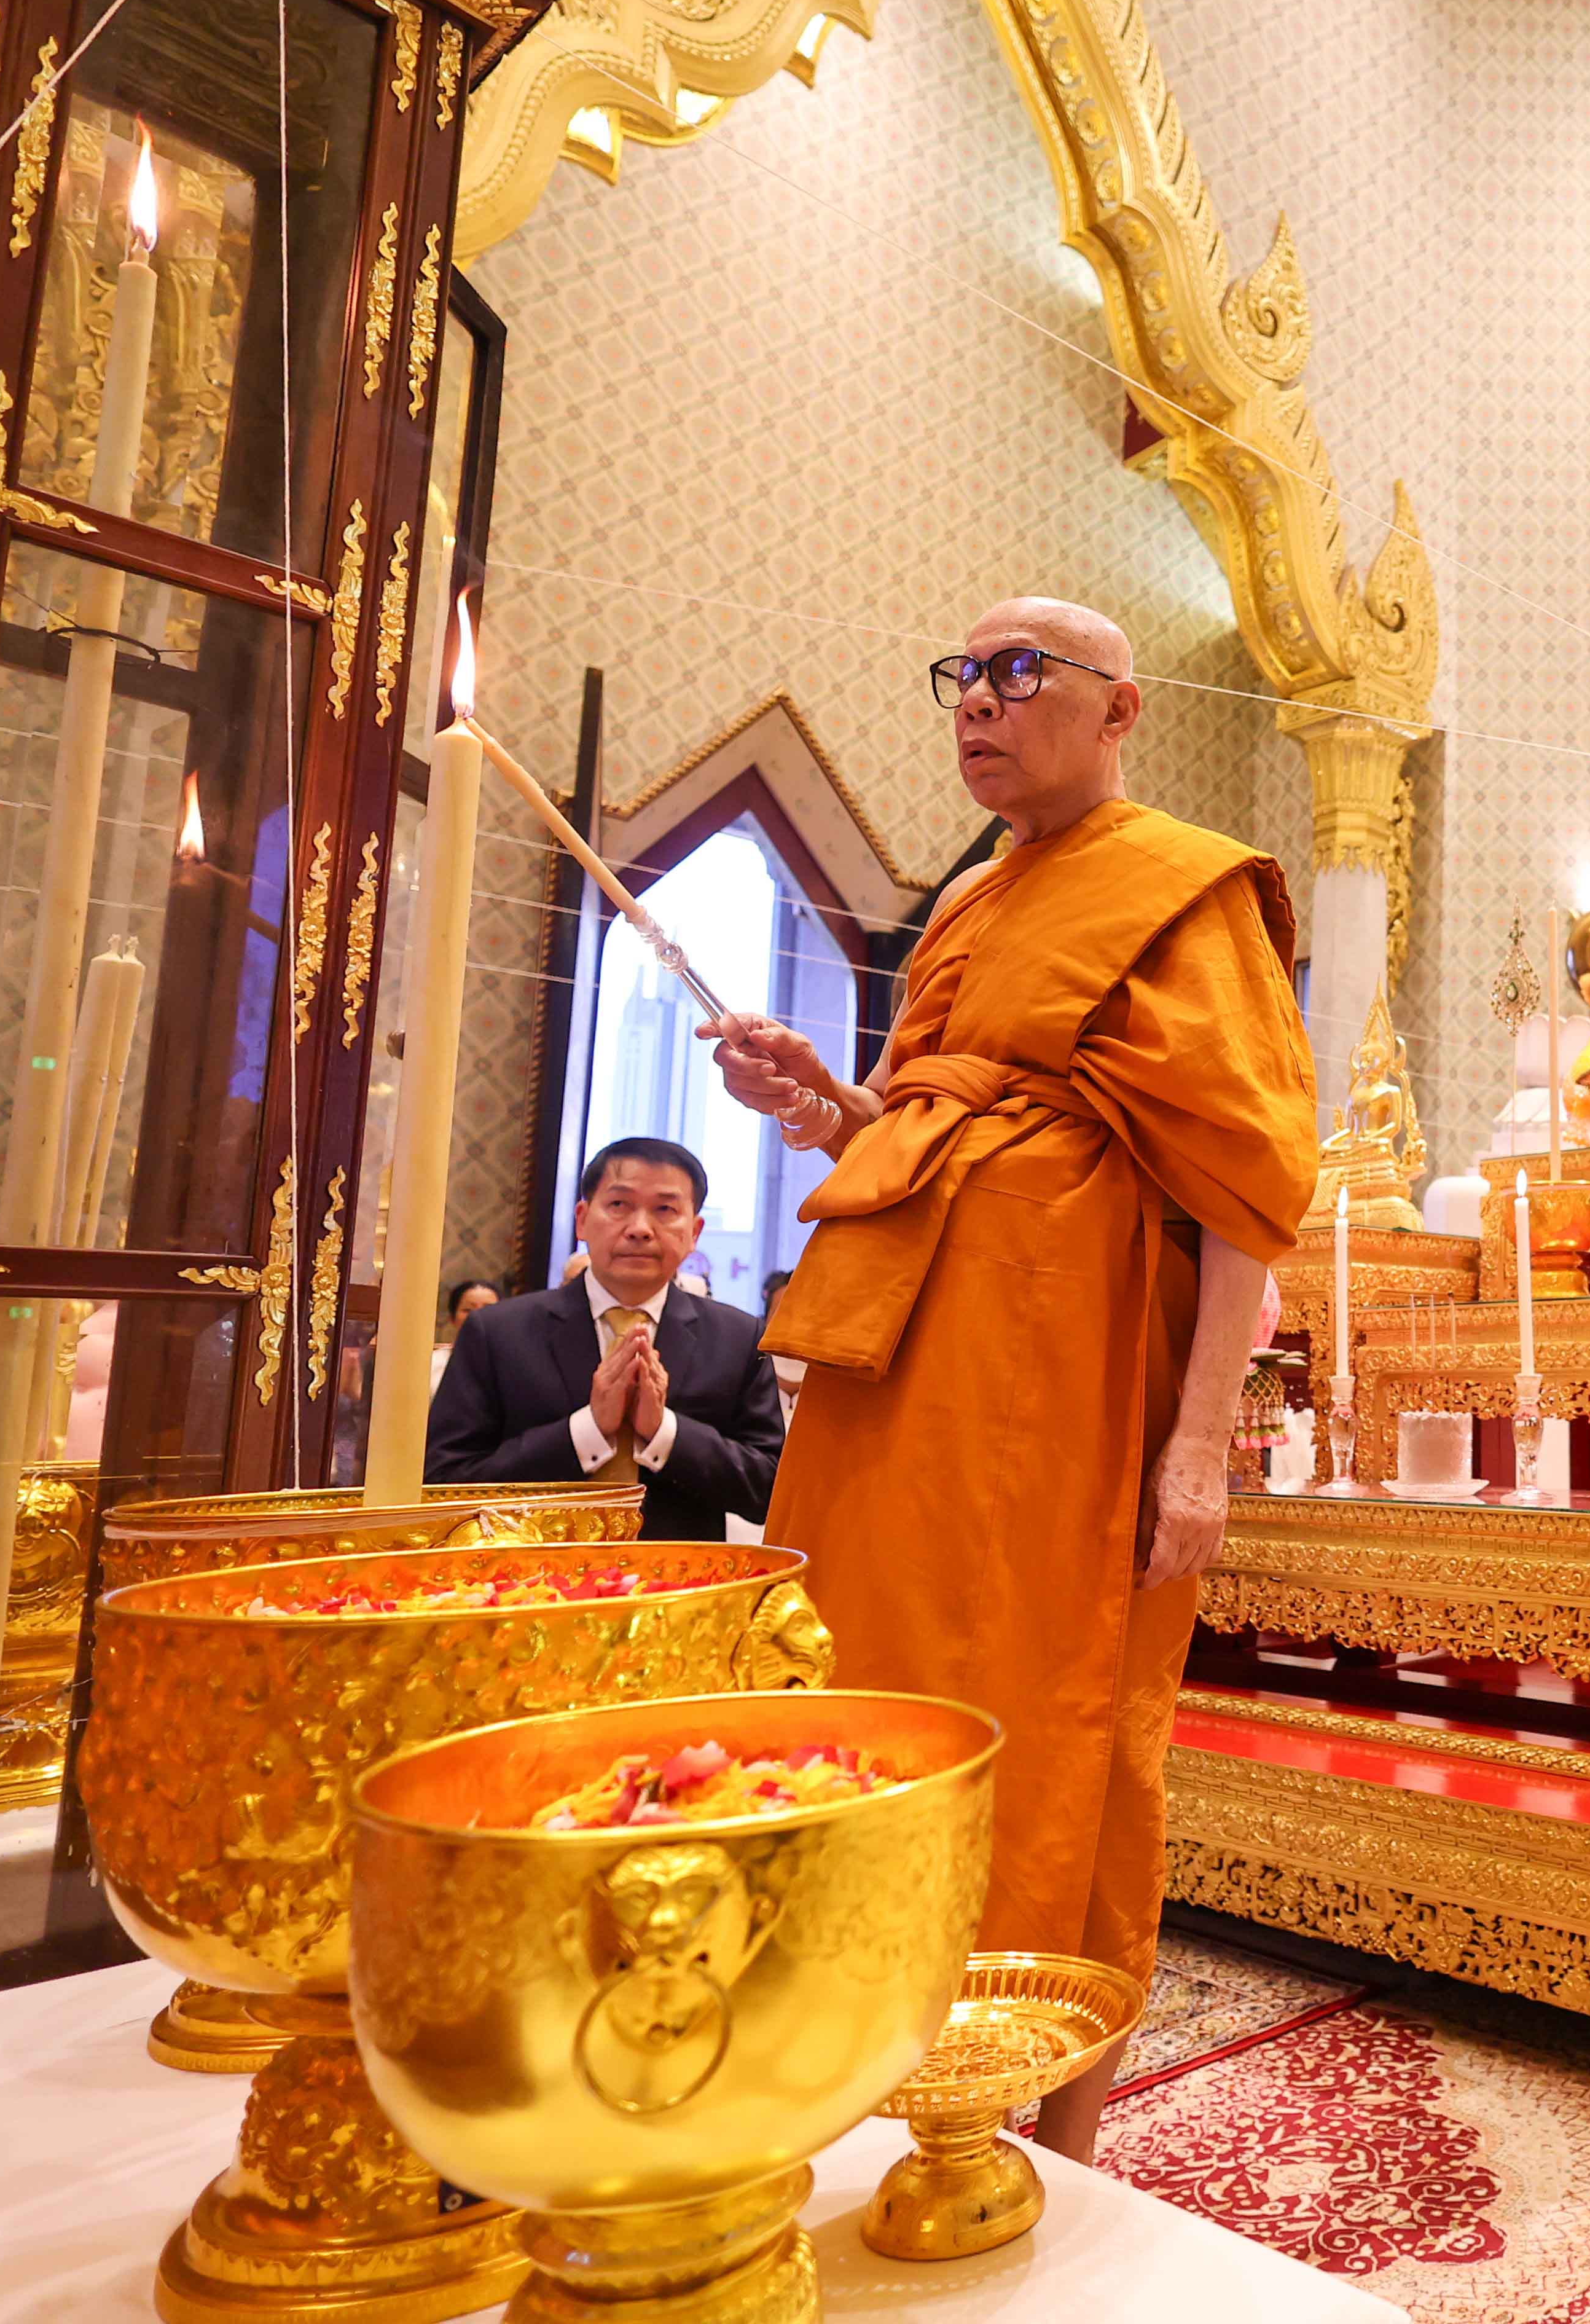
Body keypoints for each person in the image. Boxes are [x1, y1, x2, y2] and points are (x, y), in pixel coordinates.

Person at [702, 595, 1314, 2164]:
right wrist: (835, 1108)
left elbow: (1246, 1187)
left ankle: (1047, 2117)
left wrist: (1200, 1451)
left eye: (1018, 673)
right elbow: (943, 1128)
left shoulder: (1185, 888)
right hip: (896, 1377)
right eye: (960, 675)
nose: (977, 701)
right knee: (862, 1681)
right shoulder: (971, 899)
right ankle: (855, 2050)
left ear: (1120, 712)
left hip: (1071, 1383)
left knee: (1057, 1717)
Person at [426, 1137, 789, 1538]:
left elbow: (770, 1492)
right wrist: (589, 1430)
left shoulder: (739, 1339)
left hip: (678, 1587)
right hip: (529, 1582)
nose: (639, 1229)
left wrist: (664, 1431)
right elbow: (446, 1485)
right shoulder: (497, 1332)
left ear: (695, 1231)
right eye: (619, 1205)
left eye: (665, 1210)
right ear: (582, 1219)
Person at [754, 1268, 806, 1426]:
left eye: (805, 1319)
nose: (794, 1329)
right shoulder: (744, 1398)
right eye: (783, 1317)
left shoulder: (840, 1401)